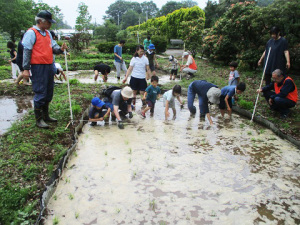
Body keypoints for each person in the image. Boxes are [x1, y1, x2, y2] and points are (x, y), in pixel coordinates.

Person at [22, 10, 67, 129]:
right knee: (40, 91)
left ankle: (46, 115)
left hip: (49, 65)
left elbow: (54, 48)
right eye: (48, 22)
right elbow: (27, 51)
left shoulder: (47, 33)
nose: (50, 24)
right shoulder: (31, 33)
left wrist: (61, 49)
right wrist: (25, 69)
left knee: (48, 91)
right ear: (41, 21)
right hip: (38, 66)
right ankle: (39, 119)